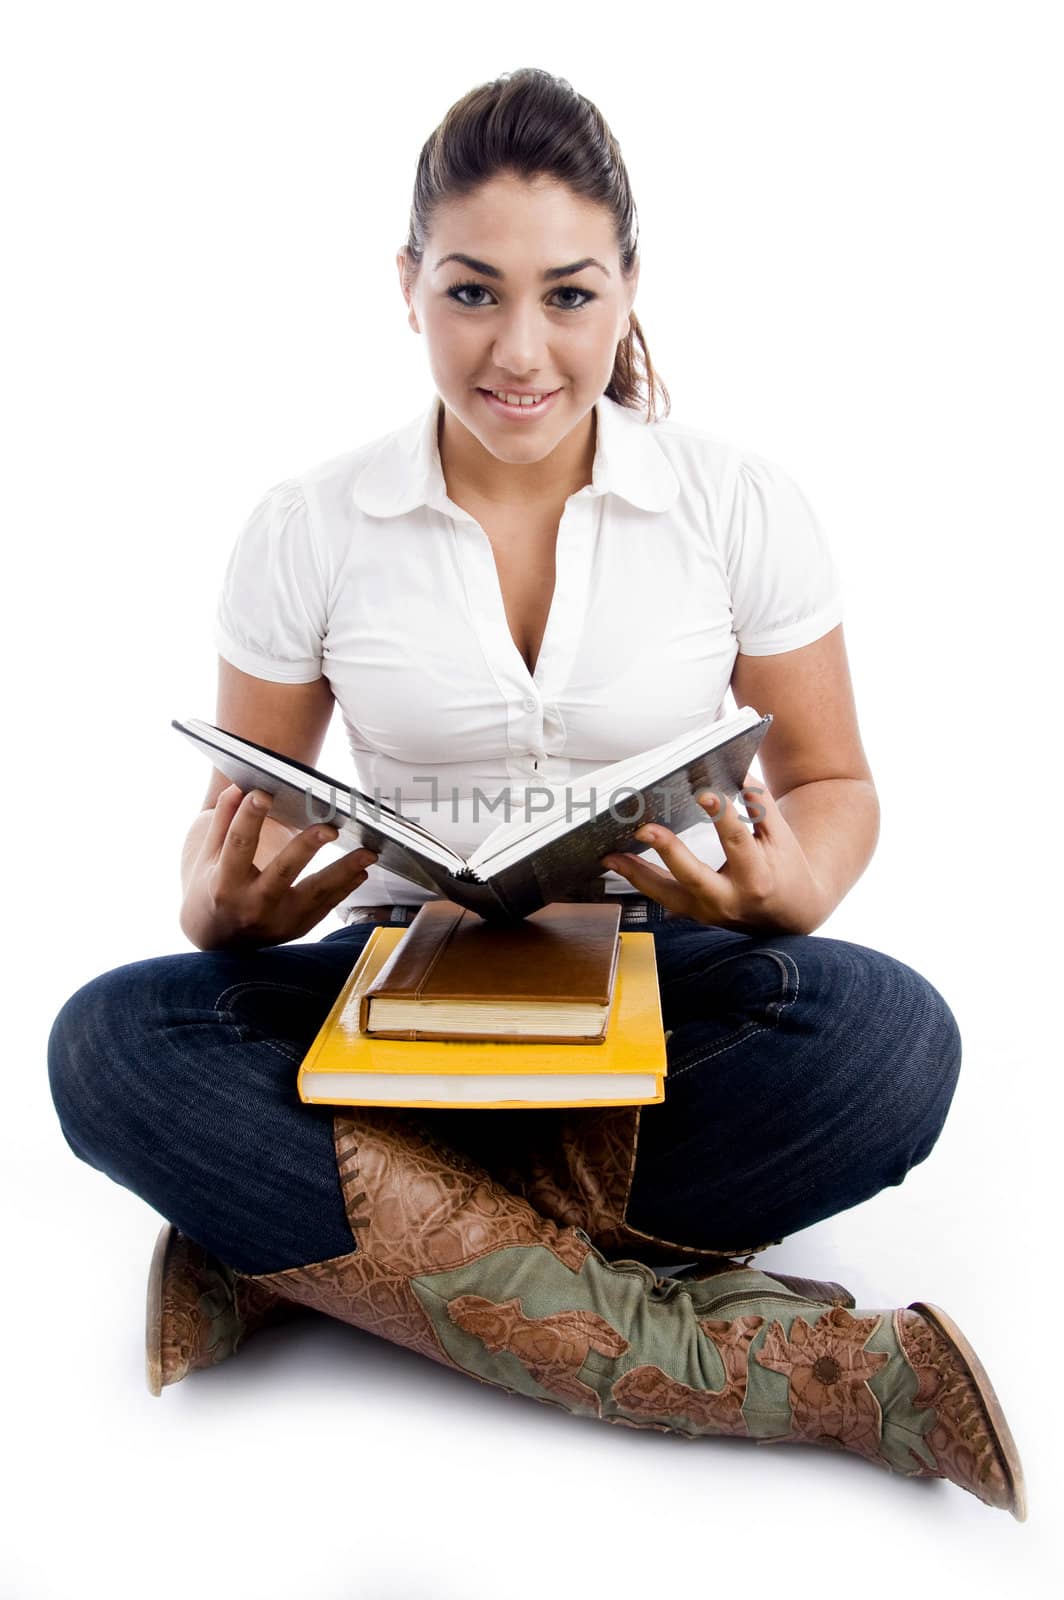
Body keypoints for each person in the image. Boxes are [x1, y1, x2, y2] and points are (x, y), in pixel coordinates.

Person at [46, 66, 1025, 1517]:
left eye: (567, 296)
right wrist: (218, 905)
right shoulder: (307, 526)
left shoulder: (736, 503)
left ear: (629, 287)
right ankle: (772, 1367)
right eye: (470, 293)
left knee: (889, 1044)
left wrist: (795, 885)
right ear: (407, 284)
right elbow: (237, 830)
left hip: (653, 982)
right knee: (112, 1043)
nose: (519, 349)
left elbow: (834, 779)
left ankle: (312, 1257)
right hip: (394, 988)